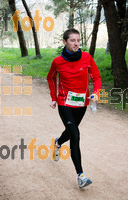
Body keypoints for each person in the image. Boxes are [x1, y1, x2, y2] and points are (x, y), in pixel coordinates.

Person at [47, 29, 101, 189]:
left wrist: (95, 93)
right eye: (72, 40)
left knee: (71, 131)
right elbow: (50, 77)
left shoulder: (87, 58)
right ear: (65, 42)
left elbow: (96, 77)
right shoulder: (58, 62)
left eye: (78, 40)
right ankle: (81, 176)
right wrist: (53, 97)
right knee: (75, 135)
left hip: (81, 104)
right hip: (64, 103)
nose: (76, 43)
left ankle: (57, 142)